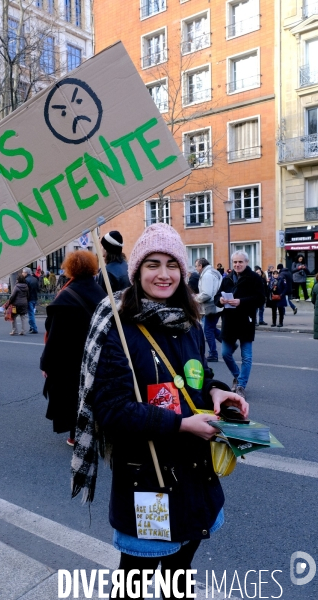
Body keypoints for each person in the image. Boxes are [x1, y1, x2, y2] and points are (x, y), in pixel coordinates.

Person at [71, 224, 248, 599]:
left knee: (180, 576)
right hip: (147, 482)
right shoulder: (117, 324)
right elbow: (112, 410)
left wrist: (218, 393)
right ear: (136, 271)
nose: (163, 274)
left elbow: (197, 377)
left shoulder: (190, 322)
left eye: (172, 264)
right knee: (132, 583)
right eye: (152, 264)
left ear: (183, 273)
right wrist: (183, 424)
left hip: (195, 476)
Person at [41, 251, 106, 446]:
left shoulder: (66, 297)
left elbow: (55, 336)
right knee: (94, 394)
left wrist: (47, 364)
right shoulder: (100, 292)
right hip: (96, 354)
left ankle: (75, 435)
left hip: (70, 358)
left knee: (73, 398)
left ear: (69, 268)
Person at [214, 251, 265, 399]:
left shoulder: (254, 278)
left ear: (246, 262)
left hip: (245, 321)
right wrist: (221, 301)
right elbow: (217, 297)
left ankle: (241, 385)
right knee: (225, 353)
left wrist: (241, 301)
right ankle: (238, 376)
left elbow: (261, 299)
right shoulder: (227, 278)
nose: (237, 265)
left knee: (246, 356)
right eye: (235, 262)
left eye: (240, 262)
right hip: (229, 321)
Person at [194, 258, 223, 362]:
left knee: (208, 330)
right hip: (217, 304)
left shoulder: (206, 275)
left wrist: (195, 298)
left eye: (196, 266)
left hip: (211, 306)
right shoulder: (214, 272)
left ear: (201, 266)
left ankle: (213, 354)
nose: (196, 269)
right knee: (211, 328)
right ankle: (229, 344)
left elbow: (206, 294)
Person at [22, 267, 39, 333]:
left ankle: (34, 328)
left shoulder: (26, 280)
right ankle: (32, 327)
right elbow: (38, 289)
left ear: (26, 273)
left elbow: (25, 291)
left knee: (31, 314)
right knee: (32, 313)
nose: (22, 273)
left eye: (23, 272)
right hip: (34, 298)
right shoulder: (35, 279)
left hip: (29, 299)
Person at [311, 273, 318, 340]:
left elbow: (313, 299)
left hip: (317, 306)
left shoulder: (315, 286)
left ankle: (316, 335)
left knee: (317, 321)